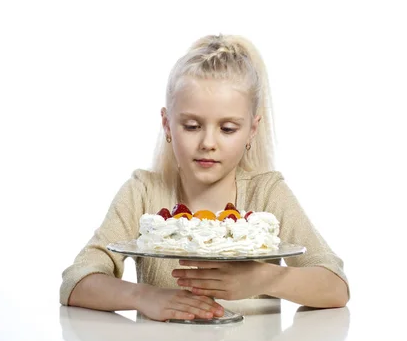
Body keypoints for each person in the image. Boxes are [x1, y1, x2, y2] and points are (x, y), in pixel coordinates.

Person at [60, 34, 350, 322]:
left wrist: (265, 278)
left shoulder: (267, 194)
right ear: (167, 124)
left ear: (252, 129)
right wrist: (145, 297)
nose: (208, 142)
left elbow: (335, 286)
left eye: (227, 129)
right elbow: (77, 280)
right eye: (192, 125)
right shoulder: (143, 193)